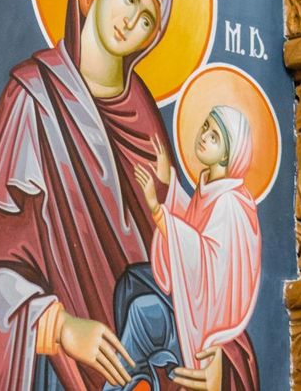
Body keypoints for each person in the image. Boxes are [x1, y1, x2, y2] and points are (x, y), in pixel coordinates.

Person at [0, 0, 258, 391]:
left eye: (147, 20)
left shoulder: (145, 117)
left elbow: (197, 261)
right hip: (66, 369)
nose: (132, 23)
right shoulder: (32, 100)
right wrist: (59, 326)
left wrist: (219, 356)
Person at [111, 107, 261, 391]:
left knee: (142, 312)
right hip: (193, 299)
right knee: (132, 280)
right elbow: (193, 228)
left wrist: (157, 210)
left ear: (227, 155)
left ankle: (121, 384)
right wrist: (169, 184)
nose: (204, 136)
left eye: (215, 137)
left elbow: (205, 258)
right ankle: (139, 378)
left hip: (207, 319)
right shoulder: (211, 187)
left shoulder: (230, 203)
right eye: (205, 127)